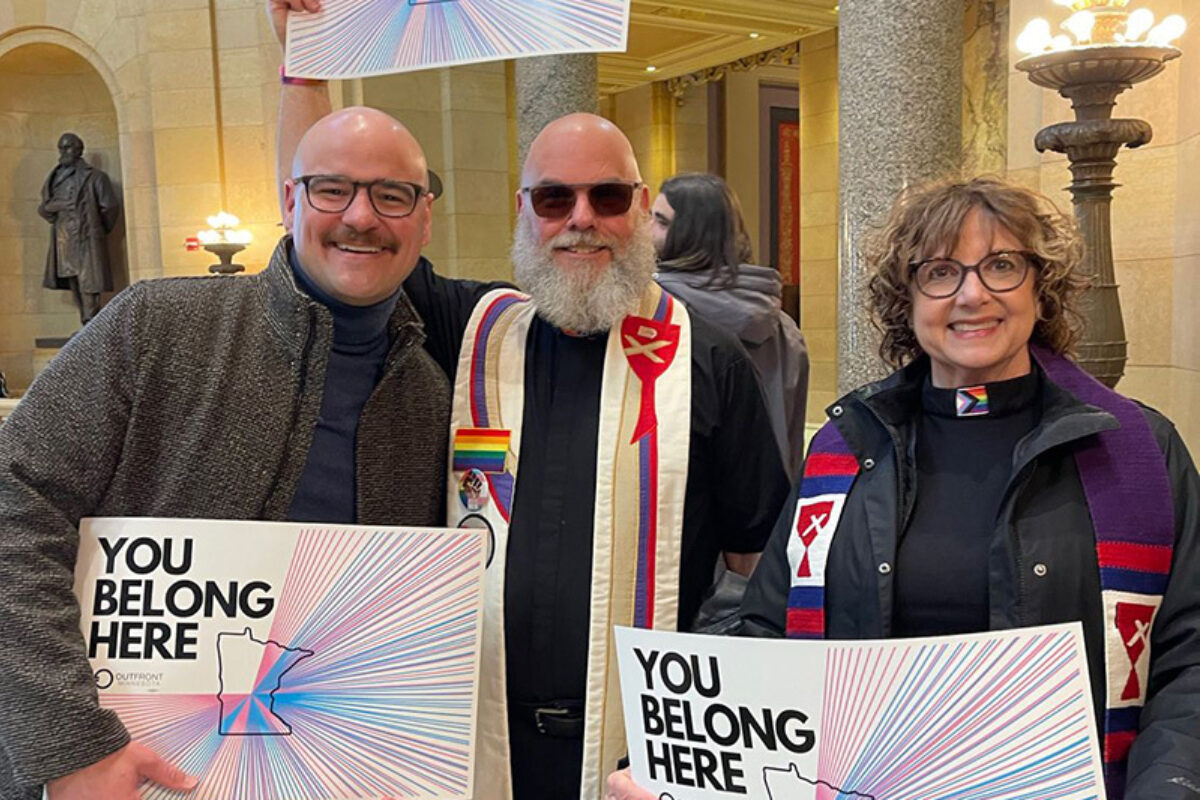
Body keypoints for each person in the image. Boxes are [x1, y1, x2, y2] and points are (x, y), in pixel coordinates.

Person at [270, 7, 790, 797]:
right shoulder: (468, 329)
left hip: (639, 755)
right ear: (523, 211)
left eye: (606, 197)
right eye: (554, 199)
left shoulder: (709, 360)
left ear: (643, 211)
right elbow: (345, 235)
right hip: (470, 737)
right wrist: (304, 62)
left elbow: (764, 575)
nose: (581, 219)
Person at [607, 176, 1200, 800]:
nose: (972, 294)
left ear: (1040, 287)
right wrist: (668, 757)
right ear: (908, 299)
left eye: (1001, 265)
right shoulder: (846, 449)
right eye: (941, 272)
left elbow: (1187, 656)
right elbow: (770, 632)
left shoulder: (1138, 452)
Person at [0, 107, 451, 800]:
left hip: (325, 773)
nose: (361, 216)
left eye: (392, 195)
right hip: (119, 772)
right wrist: (72, 744)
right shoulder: (158, 326)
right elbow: (13, 503)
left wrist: (392, 748)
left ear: (423, 219)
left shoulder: (428, 396)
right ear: (289, 200)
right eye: (333, 188)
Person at [651, 172, 809, 480]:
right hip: (766, 511)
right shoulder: (785, 329)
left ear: (690, 234)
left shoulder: (657, 317)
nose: (644, 230)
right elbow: (790, 444)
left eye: (659, 221)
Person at [38, 132, 122, 325]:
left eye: (68, 147)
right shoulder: (54, 176)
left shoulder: (95, 177)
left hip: (87, 237)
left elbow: (110, 206)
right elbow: (45, 207)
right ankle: (86, 325)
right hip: (63, 238)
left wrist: (98, 230)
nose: (63, 152)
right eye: (61, 147)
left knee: (90, 284)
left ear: (79, 150)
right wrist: (51, 209)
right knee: (73, 281)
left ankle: (90, 325)